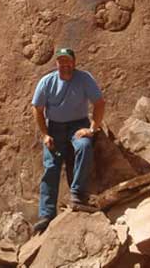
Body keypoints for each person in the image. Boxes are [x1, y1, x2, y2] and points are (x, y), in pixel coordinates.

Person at [31, 47, 105, 232]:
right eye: (61, 62)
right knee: (51, 165)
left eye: (68, 62)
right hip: (55, 127)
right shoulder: (47, 82)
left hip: (77, 125)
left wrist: (92, 128)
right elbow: (37, 109)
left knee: (84, 145)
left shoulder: (84, 79)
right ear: (57, 63)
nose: (65, 66)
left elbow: (99, 103)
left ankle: (77, 194)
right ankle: (47, 214)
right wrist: (45, 134)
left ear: (74, 62)